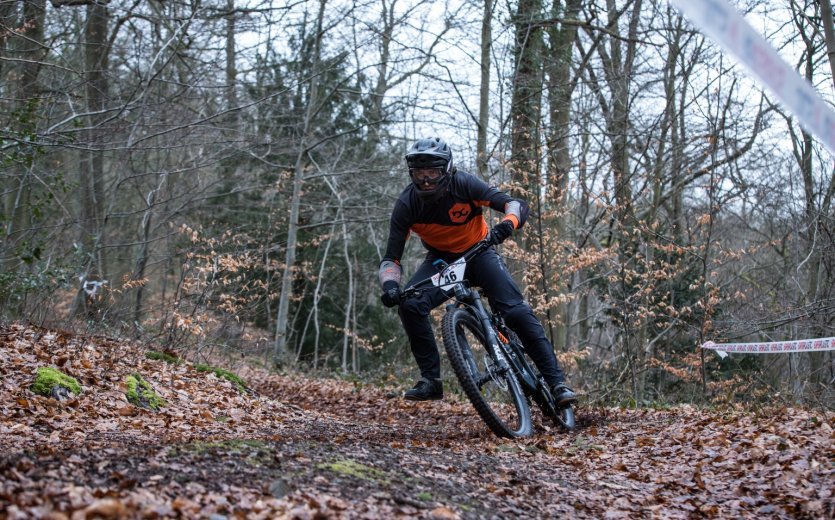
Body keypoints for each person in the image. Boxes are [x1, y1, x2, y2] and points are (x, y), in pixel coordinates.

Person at [379, 137, 578, 405]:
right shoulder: (407, 204)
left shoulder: (465, 184)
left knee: (515, 311)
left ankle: (557, 383)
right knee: (410, 304)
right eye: (419, 173)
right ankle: (431, 381)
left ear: (447, 170)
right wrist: (390, 286)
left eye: (433, 173)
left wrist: (508, 224)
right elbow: (391, 258)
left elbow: (515, 204)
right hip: (443, 261)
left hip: (479, 252)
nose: (425, 180)